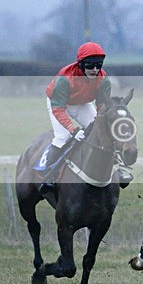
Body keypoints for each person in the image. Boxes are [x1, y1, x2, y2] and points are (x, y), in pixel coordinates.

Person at [38, 42, 111, 193]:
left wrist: (100, 125)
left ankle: (117, 167)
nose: (95, 70)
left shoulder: (103, 79)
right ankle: (48, 173)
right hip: (59, 104)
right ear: (81, 64)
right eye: (90, 66)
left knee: (101, 132)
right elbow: (58, 109)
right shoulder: (65, 78)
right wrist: (73, 130)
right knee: (62, 136)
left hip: (82, 103)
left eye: (98, 65)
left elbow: (102, 107)